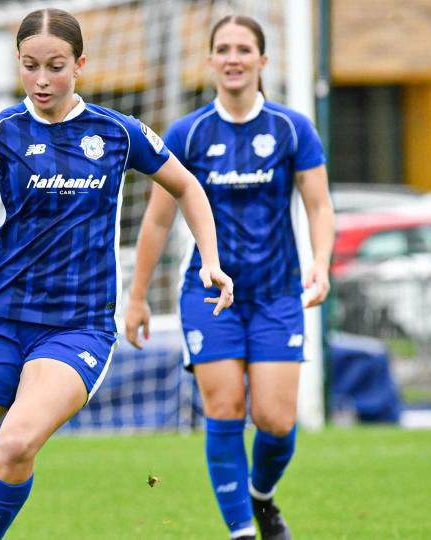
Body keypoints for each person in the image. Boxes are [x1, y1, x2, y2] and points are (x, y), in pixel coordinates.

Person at [0, 8, 233, 540]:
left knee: (16, 444)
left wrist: (211, 260)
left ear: (80, 64)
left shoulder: (116, 133)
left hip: (76, 328)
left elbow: (188, 187)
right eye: (30, 66)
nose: (42, 80)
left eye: (56, 66)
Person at [124, 14, 334, 540]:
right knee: (224, 406)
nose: (234, 57)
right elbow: (156, 219)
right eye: (224, 48)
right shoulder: (187, 133)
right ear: (211, 60)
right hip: (210, 294)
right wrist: (137, 297)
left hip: (277, 293)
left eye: (245, 49)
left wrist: (322, 262)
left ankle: (260, 498)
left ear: (263, 61)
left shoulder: (291, 128)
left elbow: (319, 203)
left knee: (276, 420)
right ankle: (242, 530)